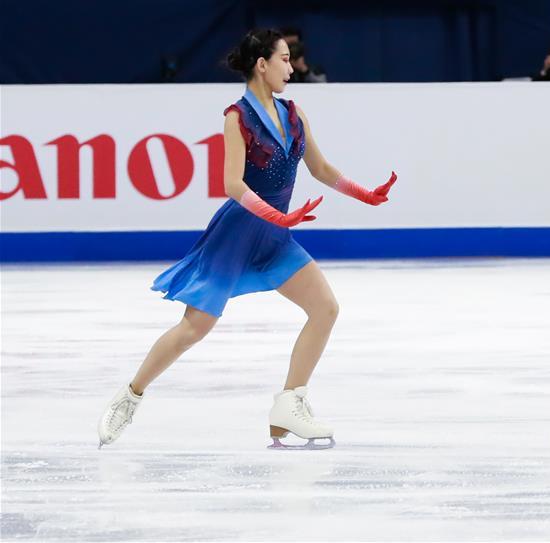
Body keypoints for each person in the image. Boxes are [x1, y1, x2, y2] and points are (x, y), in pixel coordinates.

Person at [97, 28, 397, 450]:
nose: (291, 68)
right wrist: (279, 214)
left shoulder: (295, 114)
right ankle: (130, 396)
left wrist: (365, 194)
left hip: (274, 238)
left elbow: (322, 169)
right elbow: (233, 185)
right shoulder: (236, 118)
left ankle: (289, 405)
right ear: (262, 64)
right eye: (284, 60)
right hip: (237, 236)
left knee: (325, 308)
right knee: (193, 328)